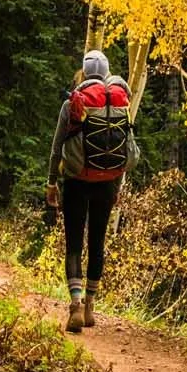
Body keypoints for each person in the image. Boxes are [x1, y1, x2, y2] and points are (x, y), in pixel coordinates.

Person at [45, 48, 136, 331]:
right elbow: (124, 148)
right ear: (107, 74)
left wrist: (51, 184)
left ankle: (75, 305)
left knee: (74, 244)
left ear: (84, 74)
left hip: (76, 181)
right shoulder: (121, 104)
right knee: (97, 243)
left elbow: (56, 148)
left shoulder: (73, 103)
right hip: (108, 182)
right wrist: (117, 185)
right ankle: (91, 308)